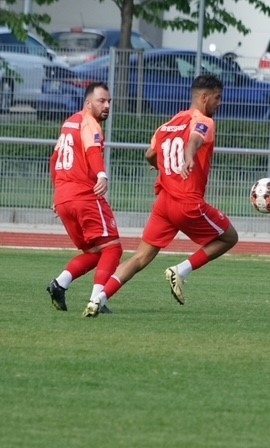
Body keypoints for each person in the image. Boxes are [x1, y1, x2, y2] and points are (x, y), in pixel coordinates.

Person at [82, 74, 238, 317]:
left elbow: (149, 154)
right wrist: (189, 157)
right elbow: (195, 140)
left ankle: (98, 299)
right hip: (187, 202)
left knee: (140, 257)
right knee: (229, 237)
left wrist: (162, 166)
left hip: (164, 203)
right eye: (217, 98)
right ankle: (181, 270)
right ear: (204, 97)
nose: (220, 103)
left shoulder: (168, 125)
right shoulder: (204, 121)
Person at [47, 81, 123, 313]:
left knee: (94, 252)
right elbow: (92, 150)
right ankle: (97, 300)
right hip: (84, 196)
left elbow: (55, 159)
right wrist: (101, 174)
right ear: (88, 103)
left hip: (64, 198)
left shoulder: (70, 122)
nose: (107, 106)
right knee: (113, 249)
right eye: (101, 101)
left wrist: (57, 193)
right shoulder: (90, 123)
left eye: (109, 101)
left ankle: (59, 284)